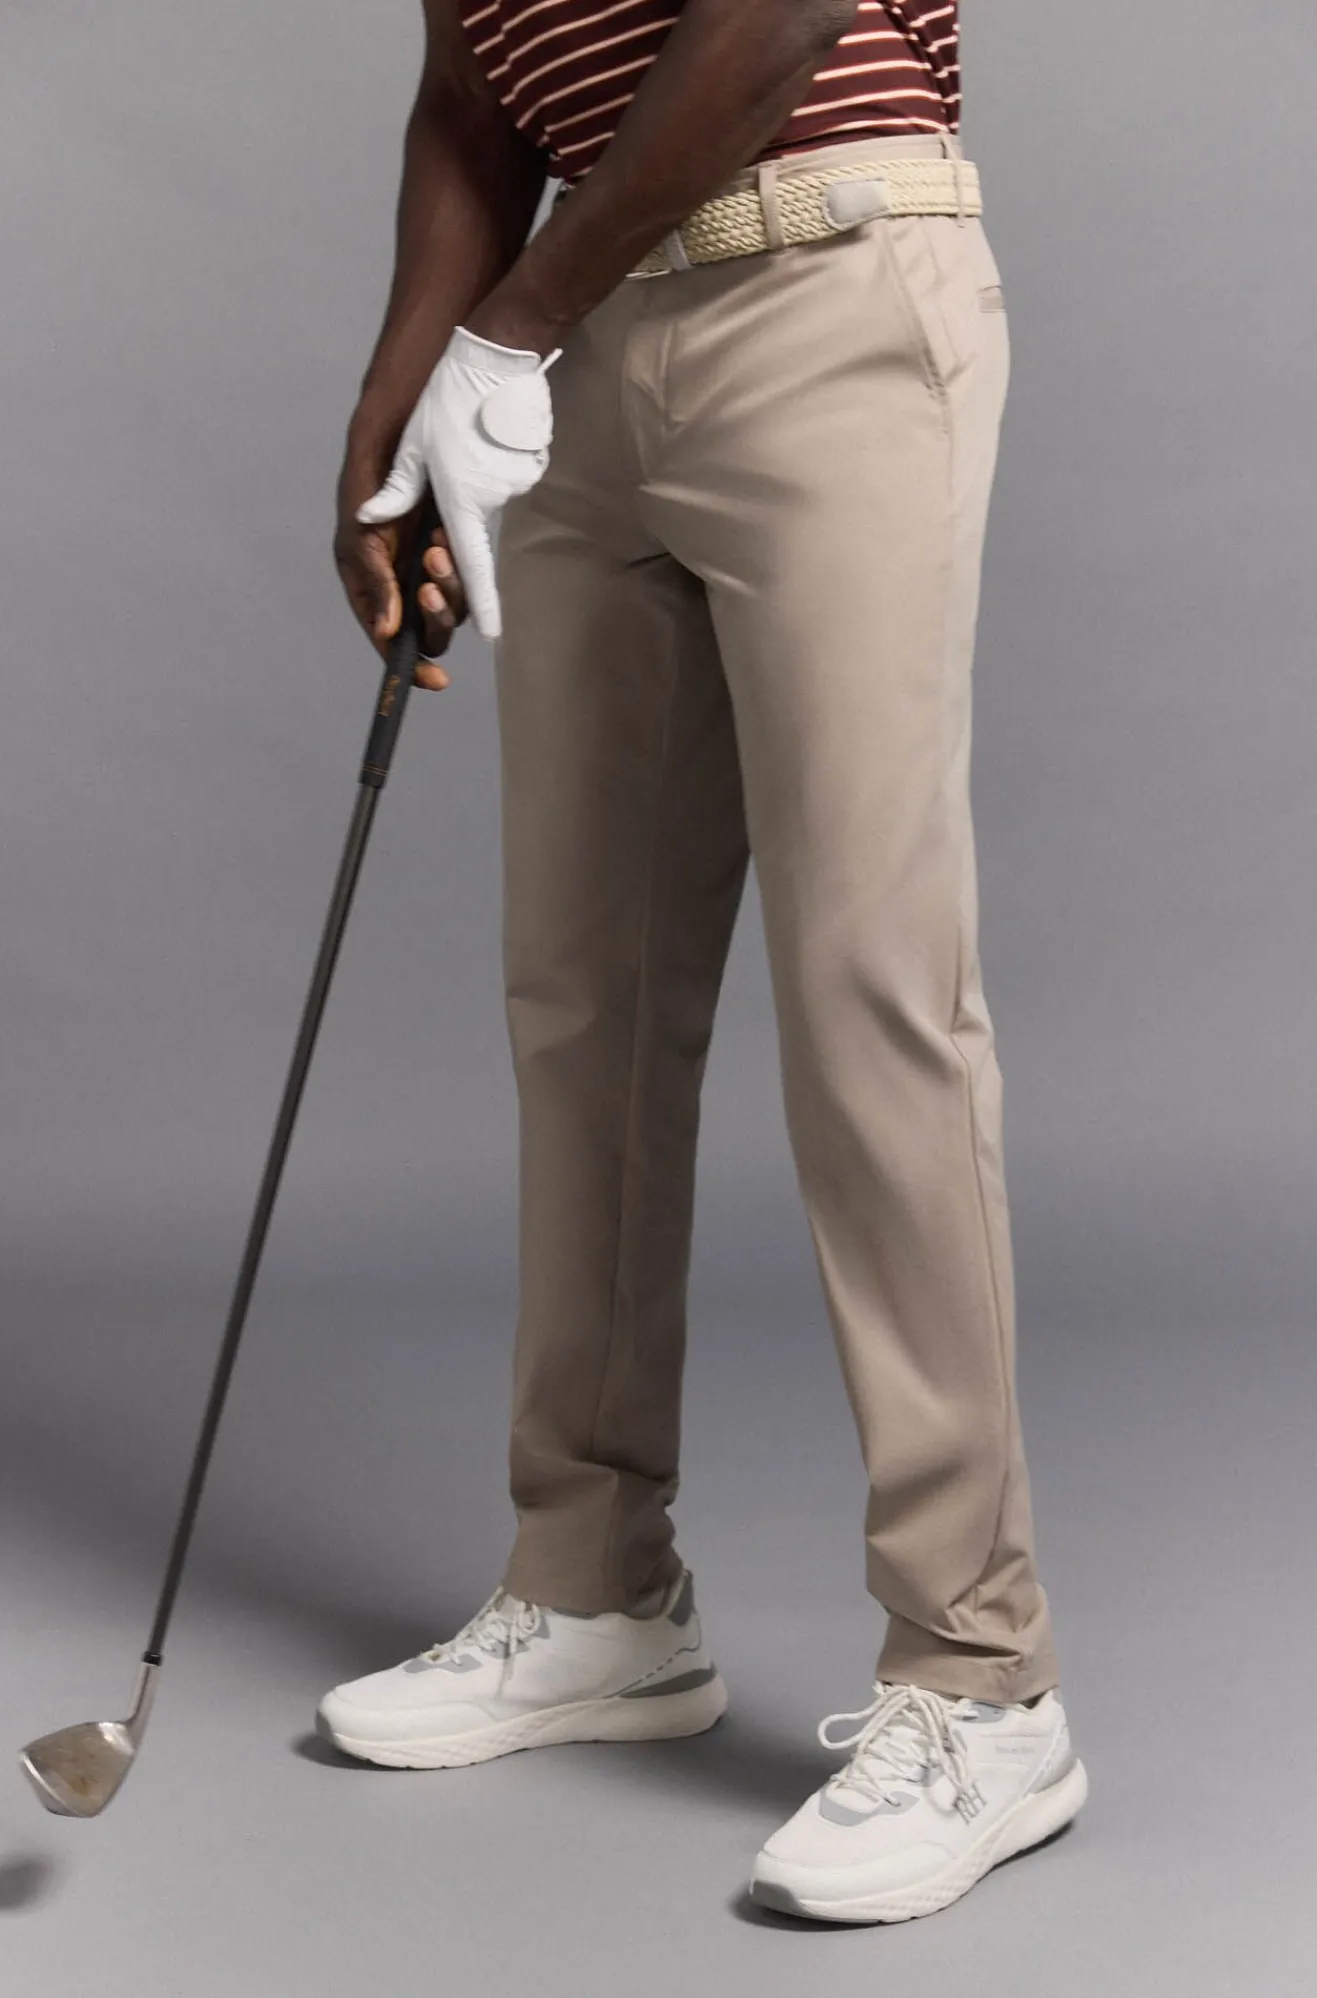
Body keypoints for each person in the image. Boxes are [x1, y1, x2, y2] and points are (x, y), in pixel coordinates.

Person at [319, 0, 1089, 1925]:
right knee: (582, 994)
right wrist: (400, 405)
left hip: (826, 274)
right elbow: (474, 85)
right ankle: (594, 1584)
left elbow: (773, 19)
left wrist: (505, 327)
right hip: (585, 336)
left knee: (870, 992)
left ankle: (983, 1676)